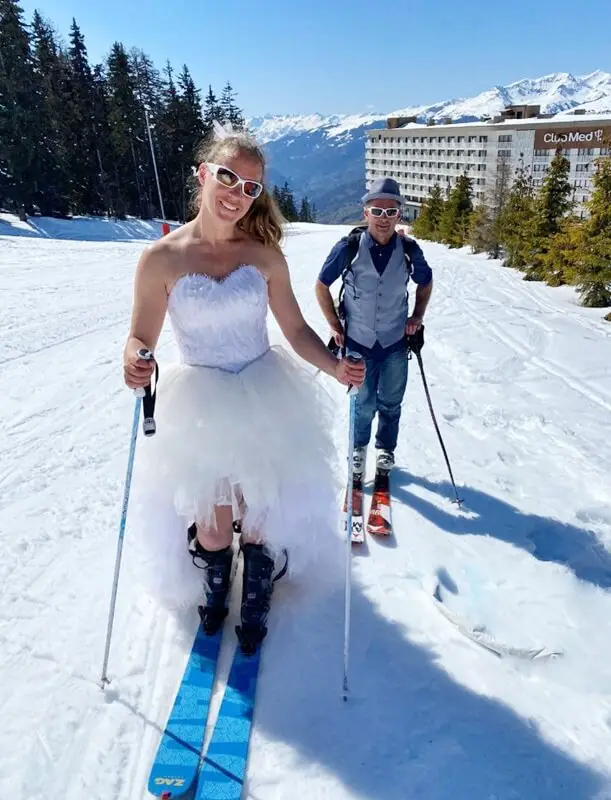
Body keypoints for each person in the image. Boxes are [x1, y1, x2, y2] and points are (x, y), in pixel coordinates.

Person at [122, 129, 365, 655]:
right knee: (212, 528)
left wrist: (336, 365)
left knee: (258, 518)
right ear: (203, 174)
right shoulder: (161, 258)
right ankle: (214, 582)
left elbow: (297, 331)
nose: (236, 192)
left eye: (251, 187)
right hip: (202, 400)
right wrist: (135, 358)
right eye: (228, 176)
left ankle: (254, 593)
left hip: (262, 390)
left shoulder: (264, 256)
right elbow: (141, 335)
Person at [314, 177, 433, 478]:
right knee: (362, 404)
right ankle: (358, 450)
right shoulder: (349, 247)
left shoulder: (409, 250)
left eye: (390, 212)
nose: (383, 218)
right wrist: (333, 323)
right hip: (358, 343)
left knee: (392, 402)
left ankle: (385, 451)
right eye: (376, 211)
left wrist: (417, 316)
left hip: (394, 343)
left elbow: (425, 281)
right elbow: (321, 285)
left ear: (399, 215)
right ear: (365, 213)